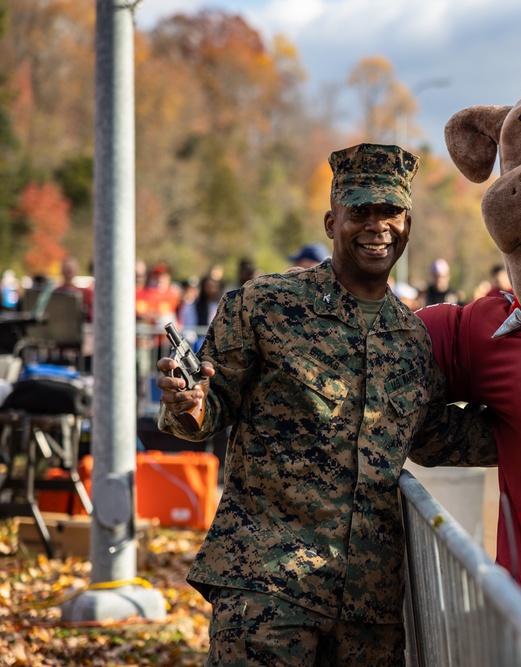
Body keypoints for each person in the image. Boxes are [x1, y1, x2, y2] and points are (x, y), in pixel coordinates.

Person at [156, 143, 495, 666]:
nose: (377, 226)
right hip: (267, 584)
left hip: (368, 607)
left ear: (408, 224)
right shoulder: (263, 306)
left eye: (391, 213)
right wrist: (188, 403)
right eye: (361, 212)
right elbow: (210, 406)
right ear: (331, 221)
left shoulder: (411, 338)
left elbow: (432, 436)